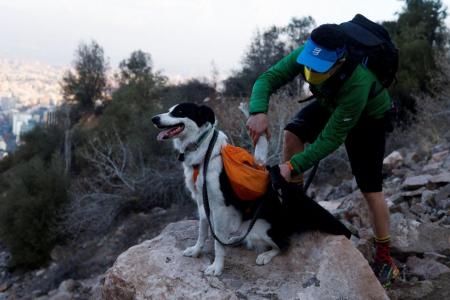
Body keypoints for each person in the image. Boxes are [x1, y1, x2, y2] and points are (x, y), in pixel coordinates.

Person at [246, 23, 399, 287]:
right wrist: (257, 110)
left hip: (367, 118)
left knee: (370, 188)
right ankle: (295, 206)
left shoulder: (358, 80)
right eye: (310, 63)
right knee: (292, 133)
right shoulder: (310, 52)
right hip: (333, 102)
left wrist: (292, 166)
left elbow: (331, 139)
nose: (312, 70)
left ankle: (385, 258)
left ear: (340, 60)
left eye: (321, 66)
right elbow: (268, 78)